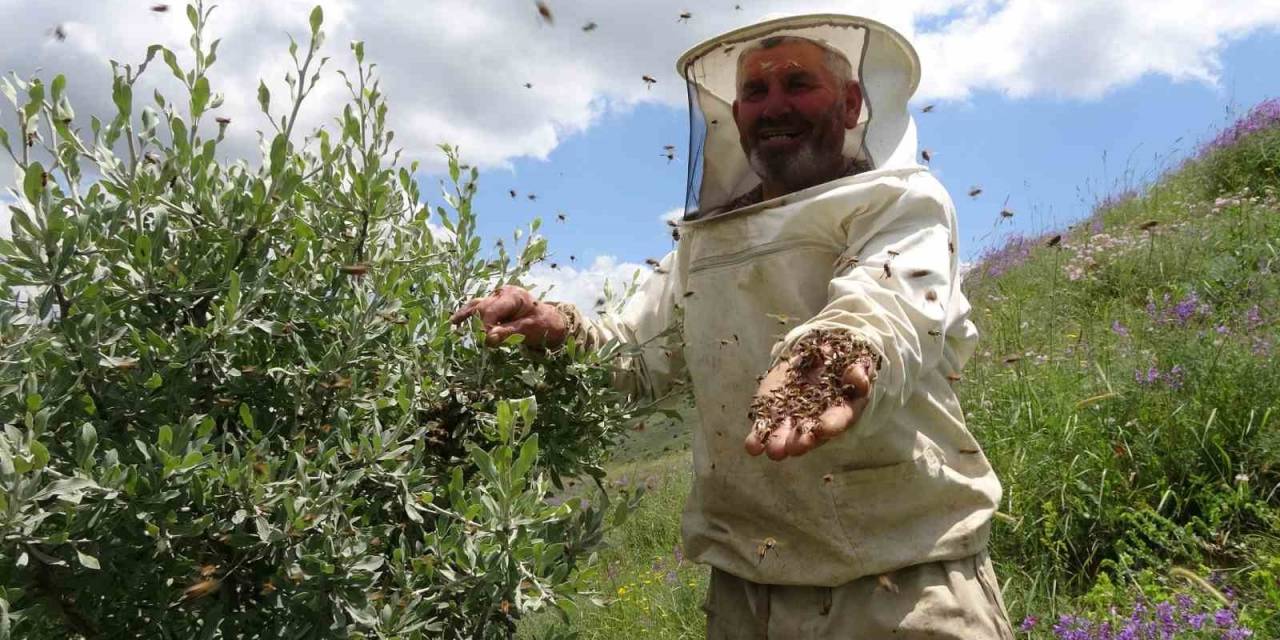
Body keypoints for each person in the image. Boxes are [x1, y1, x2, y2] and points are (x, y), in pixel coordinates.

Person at [451, 14, 1014, 639]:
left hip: (903, 583)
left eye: (798, 83)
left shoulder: (900, 201)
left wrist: (837, 349)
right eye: (755, 91)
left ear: (852, 102)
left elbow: (890, 301)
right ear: (737, 113)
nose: (774, 106)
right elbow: (636, 353)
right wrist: (556, 326)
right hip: (746, 594)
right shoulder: (704, 243)